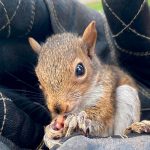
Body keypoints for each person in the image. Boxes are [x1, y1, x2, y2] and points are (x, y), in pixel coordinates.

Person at [0, 0, 149, 149]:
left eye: (78, 71)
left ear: (89, 49)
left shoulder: (101, 82)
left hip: (115, 123)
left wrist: (84, 120)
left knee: (126, 93)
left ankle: (128, 134)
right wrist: (54, 130)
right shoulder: (56, 103)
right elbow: (58, 117)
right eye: (42, 85)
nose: (57, 104)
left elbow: (104, 116)